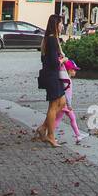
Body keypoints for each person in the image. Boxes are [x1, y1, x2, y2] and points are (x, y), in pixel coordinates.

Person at [35, 15, 67, 147]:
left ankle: (43, 127)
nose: (62, 26)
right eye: (60, 23)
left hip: (51, 75)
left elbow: (45, 59)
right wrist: (63, 60)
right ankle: (50, 136)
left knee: (62, 102)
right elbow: (54, 63)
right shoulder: (52, 40)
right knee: (54, 106)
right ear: (55, 25)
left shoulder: (48, 39)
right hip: (52, 76)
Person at [56, 57, 82, 144]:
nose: (75, 72)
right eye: (74, 70)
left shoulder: (65, 80)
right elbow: (67, 95)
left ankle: (78, 135)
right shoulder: (68, 82)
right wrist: (69, 105)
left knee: (58, 120)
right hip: (66, 105)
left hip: (62, 104)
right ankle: (78, 136)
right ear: (69, 70)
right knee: (71, 119)